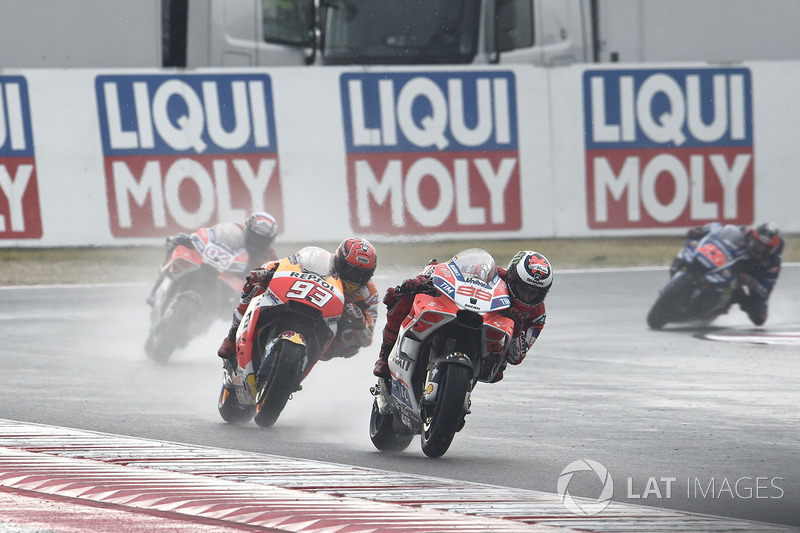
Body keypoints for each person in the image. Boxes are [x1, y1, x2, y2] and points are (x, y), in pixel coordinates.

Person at [372, 249, 552, 382]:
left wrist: (517, 327)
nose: (526, 297)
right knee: (402, 296)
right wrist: (422, 279)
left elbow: (516, 357)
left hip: (489, 350)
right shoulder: (493, 273)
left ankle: (458, 397)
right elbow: (448, 269)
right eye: (522, 288)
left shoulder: (537, 316)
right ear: (512, 278)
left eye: (534, 293)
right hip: (470, 313)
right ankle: (385, 354)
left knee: (497, 373)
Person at [216, 237, 380, 366]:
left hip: (328, 333)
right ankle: (232, 336)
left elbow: (367, 339)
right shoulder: (319, 259)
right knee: (254, 283)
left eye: (360, 274)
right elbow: (287, 263)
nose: (353, 277)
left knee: (353, 348)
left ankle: (298, 365)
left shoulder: (369, 294)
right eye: (349, 269)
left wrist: (358, 321)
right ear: (338, 260)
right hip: (298, 298)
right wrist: (267, 270)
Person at [146, 211, 279, 306]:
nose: (257, 242)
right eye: (255, 237)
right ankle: (156, 288)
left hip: (232, 288)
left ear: (269, 240)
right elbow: (210, 236)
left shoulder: (269, 257)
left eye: (262, 240)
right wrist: (192, 239)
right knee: (179, 244)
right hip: (212, 267)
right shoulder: (234, 232)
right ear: (248, 231)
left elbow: (273, 284)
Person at [670, 221, 783, 326]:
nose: (761, 249)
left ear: (773, 249)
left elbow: (765, 292)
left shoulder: (772, 264)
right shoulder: (744, 238)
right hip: (729, 263)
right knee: (693, 246)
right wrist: (701, 230)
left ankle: (721, 304)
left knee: (759, 317)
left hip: (746, 279)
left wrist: (749, 281)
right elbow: (719, 229)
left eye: (766, 248)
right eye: (759, 244)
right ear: (754, 237)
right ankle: (679, 274)